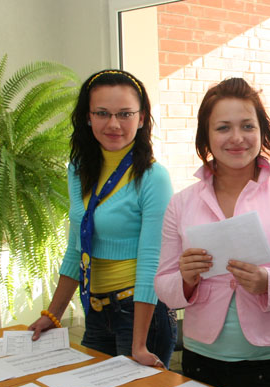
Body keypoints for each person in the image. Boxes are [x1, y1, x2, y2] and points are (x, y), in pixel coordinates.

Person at [154, 78, 270, 387]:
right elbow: (163, 283)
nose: (237, 137)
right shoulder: (182, 203)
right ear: (206, 137)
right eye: (223, 128)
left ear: (262, 131)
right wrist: (186, 280)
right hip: (203, 363)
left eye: (247, 126)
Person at [29, 69, 176, 368]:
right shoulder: (79, 170)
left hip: (140, 315)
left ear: (142, 118)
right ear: (88, 117)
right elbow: (76, 249)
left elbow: (152, 261)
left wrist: (139, 344)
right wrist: (53, 315)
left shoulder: (153, 178)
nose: (113, 124)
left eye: (125, 114)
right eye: (102, 113)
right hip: (96, 312)